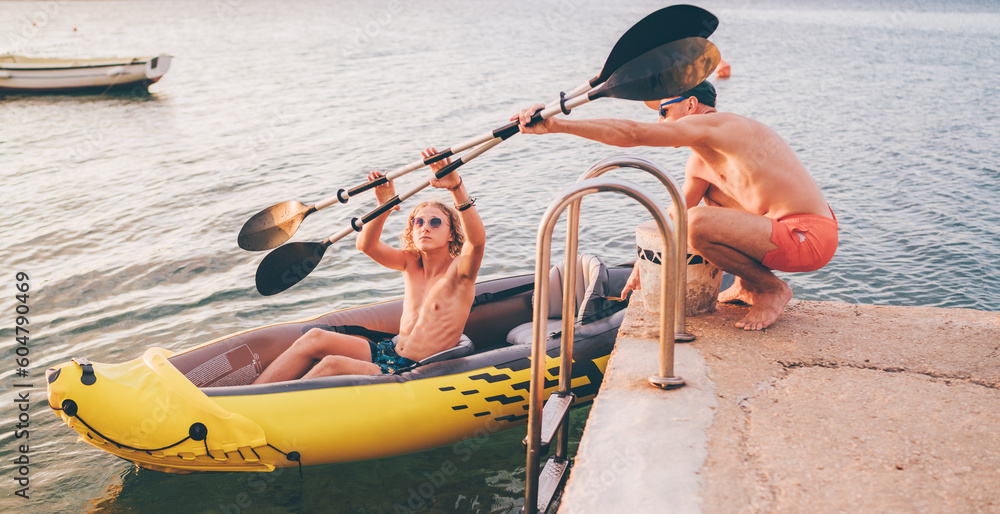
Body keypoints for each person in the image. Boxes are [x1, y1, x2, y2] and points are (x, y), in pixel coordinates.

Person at [513, 81, 837, 331]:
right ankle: (746, 284)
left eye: (664, 111)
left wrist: (557, 126)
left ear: (692, 105)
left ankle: (771, 289)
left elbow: (633, 133)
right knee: (695, 212)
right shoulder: (701, 160)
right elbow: (674, 217)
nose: (659, 120)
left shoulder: (721, 125)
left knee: (697, 224)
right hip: (779, 233)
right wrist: (644, 265)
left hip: (807, 235)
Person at [253, 148, 486, 383]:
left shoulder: (460, 272)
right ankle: (250, 396)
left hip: (413, 368)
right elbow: (366, 245)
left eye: (435, 222)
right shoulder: (410, 263)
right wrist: (383, 206)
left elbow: (477, 242)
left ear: (451, 234)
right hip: (390, 352)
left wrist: (456, 188)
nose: (425, 227)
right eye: (418, 222)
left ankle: (272, 406)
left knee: (332, 364)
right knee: (314, 337)